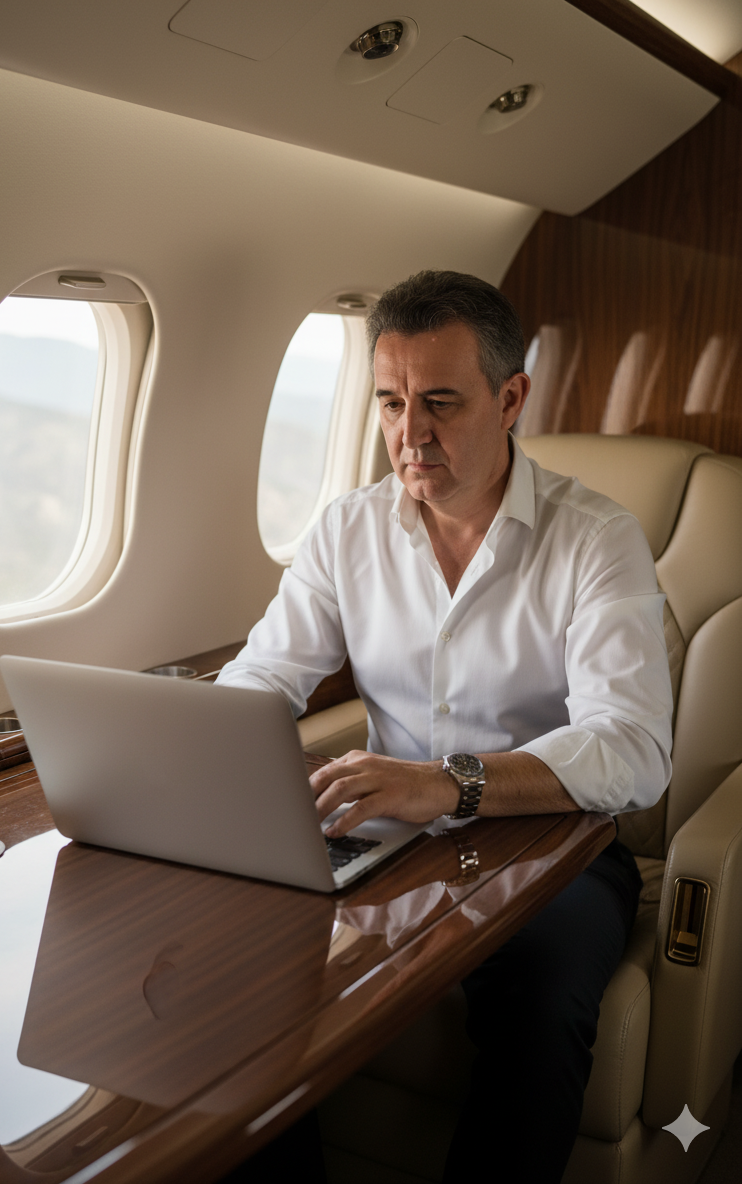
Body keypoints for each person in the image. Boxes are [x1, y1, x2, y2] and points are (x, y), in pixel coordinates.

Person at [217, 270, 673, 1182]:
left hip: (555, 849)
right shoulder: (346, 530)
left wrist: (450, 781)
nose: (408, 435)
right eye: (390, 402)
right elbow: (266, 675)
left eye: (439, 402)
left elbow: (633, 746)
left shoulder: (596, 539)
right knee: (234, 967)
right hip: (385, 837)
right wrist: (195, 740)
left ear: (510, 399)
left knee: (539, 1002)